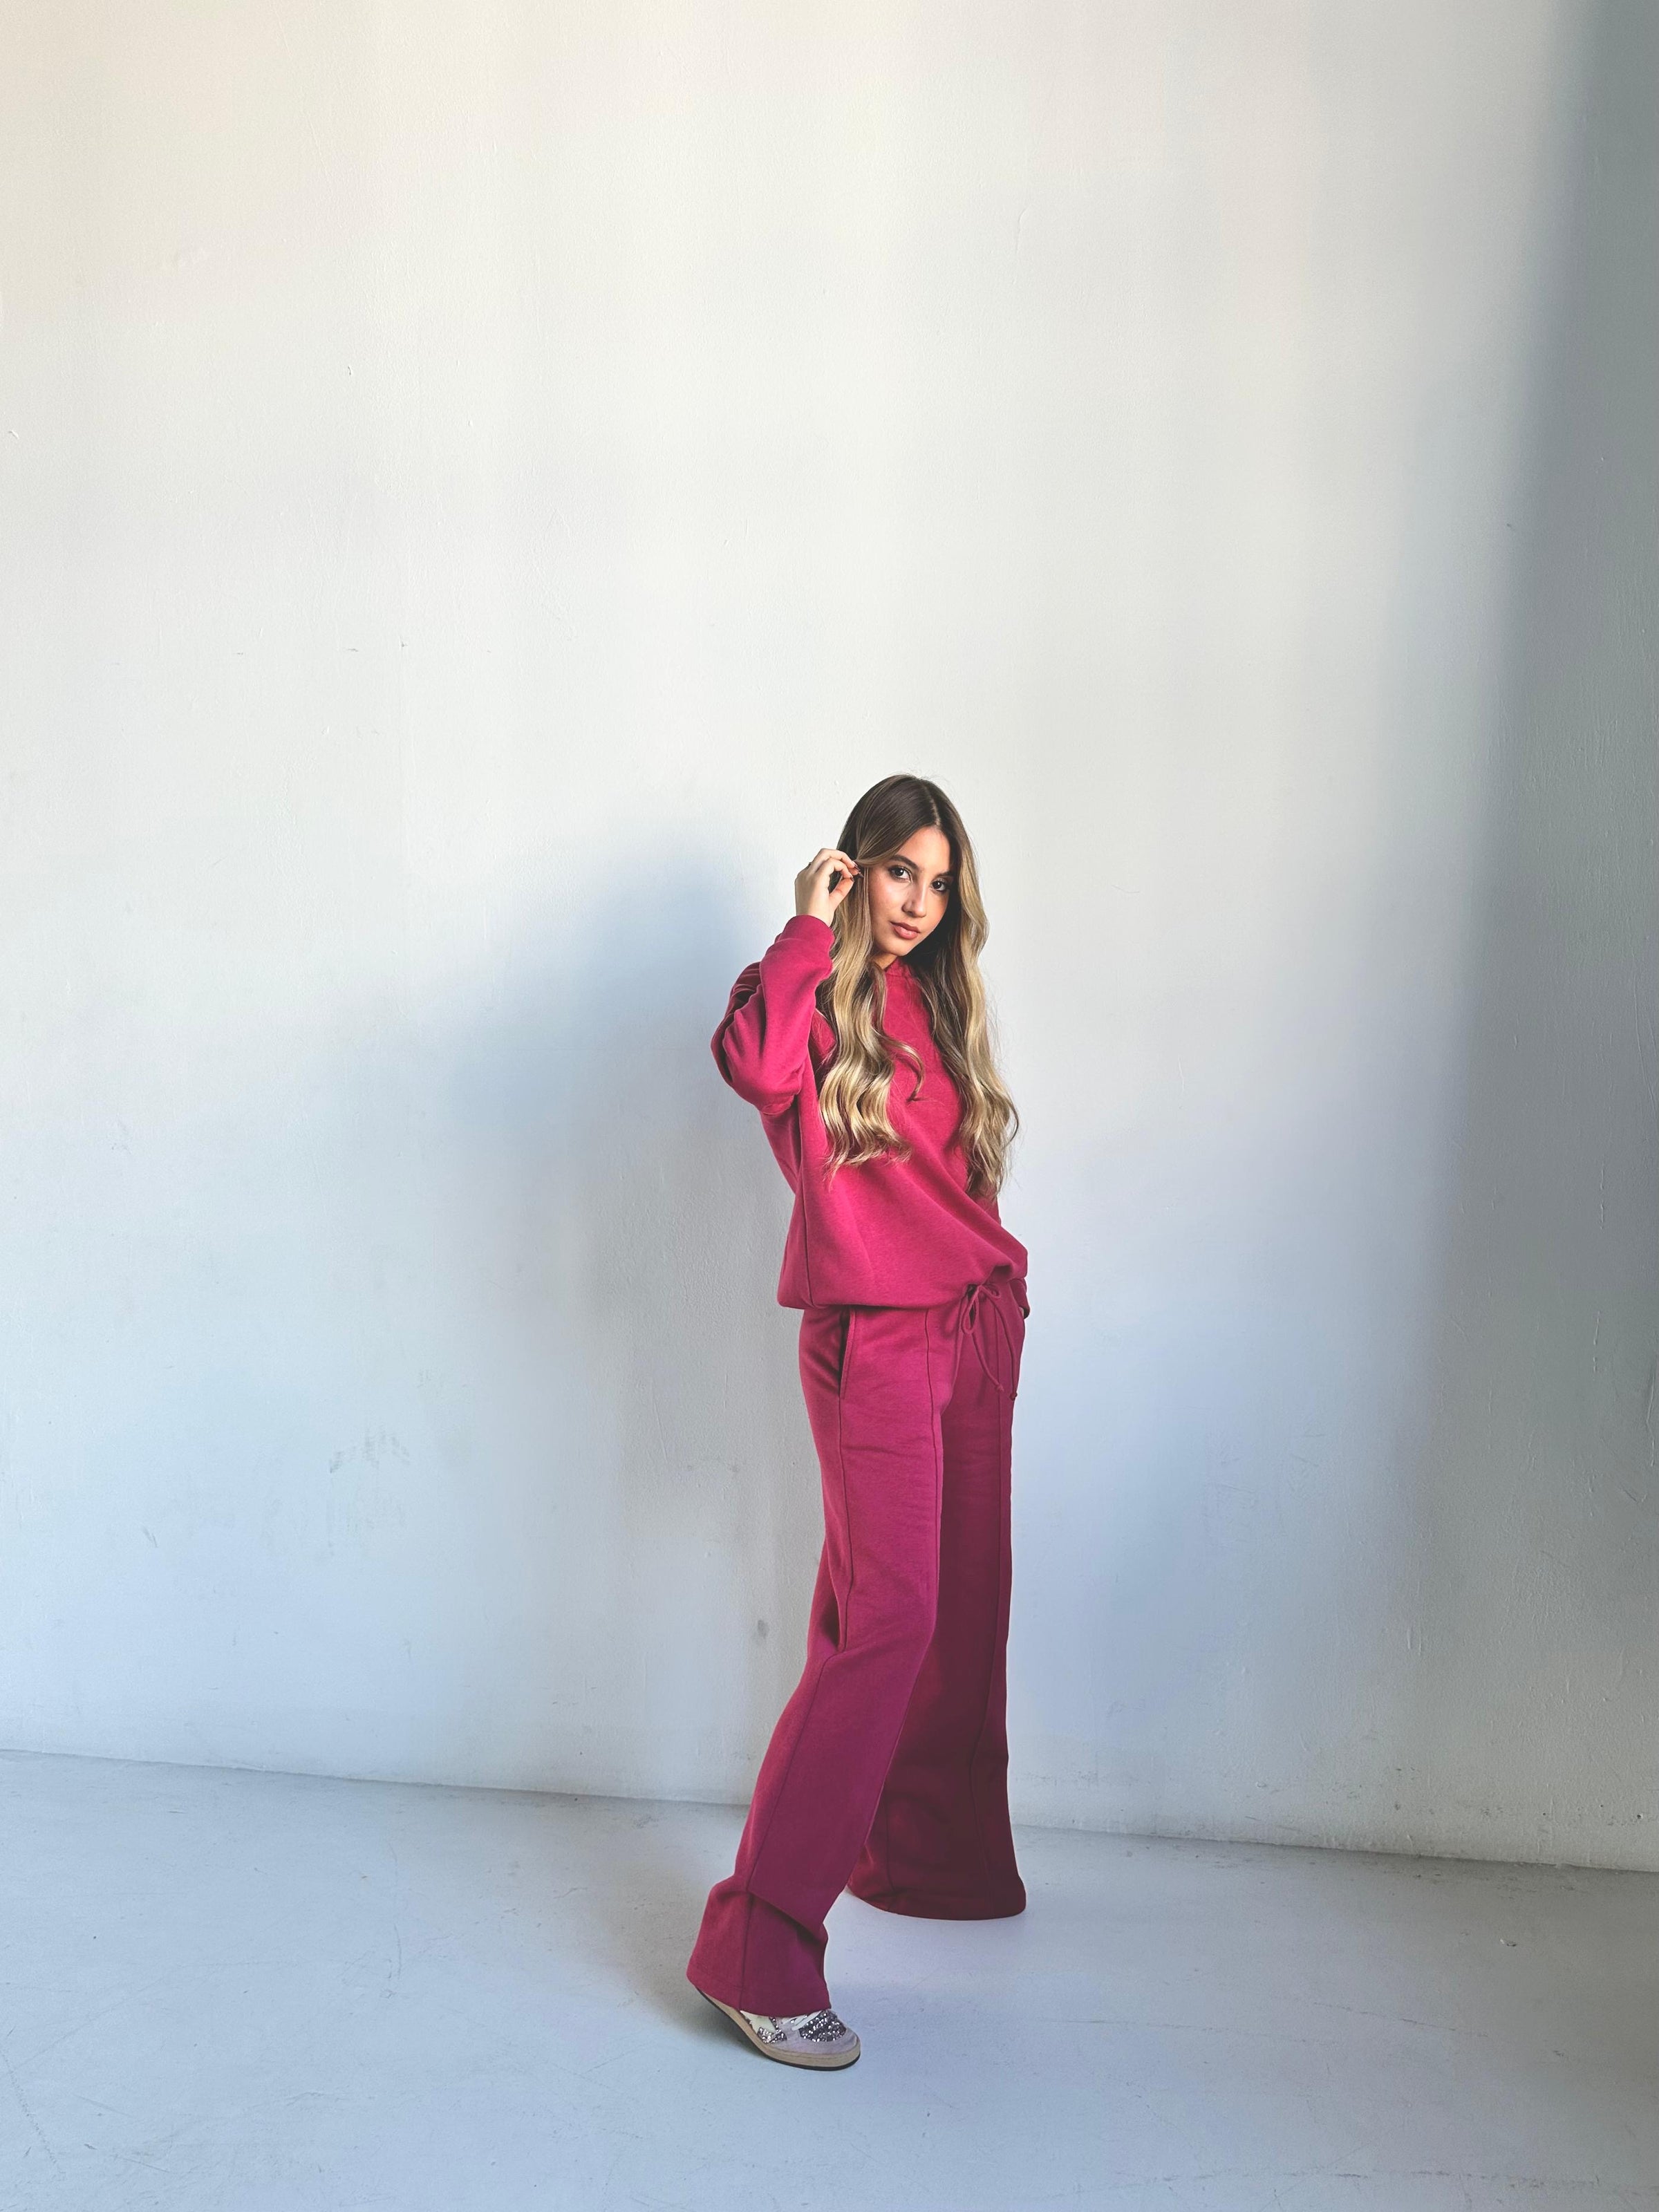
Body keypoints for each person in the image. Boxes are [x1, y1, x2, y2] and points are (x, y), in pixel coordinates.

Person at [686, 772, 1031, 2070]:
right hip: (872, 1337)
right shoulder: (811, 993)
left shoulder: (936, 1003)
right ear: (855, 868)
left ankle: (927, 1860)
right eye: (899, 873)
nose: (919, 903)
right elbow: (750, 1066)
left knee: (960, 1611)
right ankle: (755, 1945)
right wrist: (804, 923)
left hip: (970, 1324)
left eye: (940, 884)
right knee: (886, 1621)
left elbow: (955, 1175)